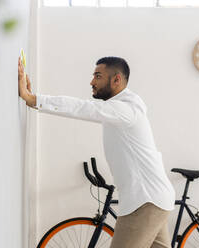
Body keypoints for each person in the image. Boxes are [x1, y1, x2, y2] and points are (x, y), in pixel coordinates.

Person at [18, 56, 175, 248]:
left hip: (144, 202)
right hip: (155, 198)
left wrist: (33, 99)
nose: (92, 82)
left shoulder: (124, 109)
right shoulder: (123, 106)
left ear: (116, 79)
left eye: (98, 76)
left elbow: (82, 108)